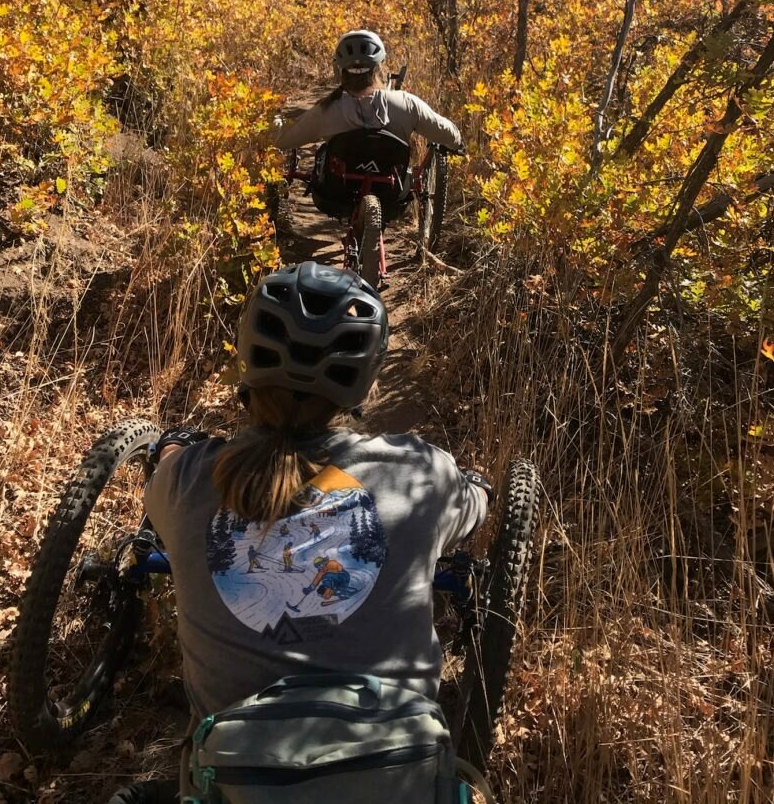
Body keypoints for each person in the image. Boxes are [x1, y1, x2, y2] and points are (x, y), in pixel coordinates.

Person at [107, 260, 490, 804]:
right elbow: (473, 509)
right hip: (391, 770)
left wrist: (172, 448)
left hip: (243, 776)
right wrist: (477, 491)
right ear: (365, 377)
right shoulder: (420, 475)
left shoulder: (185, 479)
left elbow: (171, 472)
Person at [274, 30, 462, 152]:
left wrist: (273, 120)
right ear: (379, 67)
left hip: (339, 193)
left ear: (341, 70)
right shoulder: (406, 103)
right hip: (391, 197)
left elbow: (283, 140)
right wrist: (457, 142)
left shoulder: (327, 110)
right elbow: (447, 133)